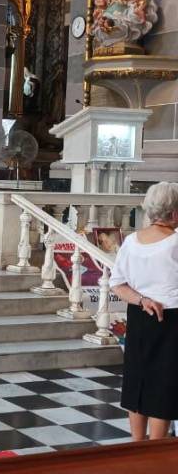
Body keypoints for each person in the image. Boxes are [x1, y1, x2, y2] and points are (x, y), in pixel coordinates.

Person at [110, 182, 178, 441]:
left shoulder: (131, 241)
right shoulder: (175, 242)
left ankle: (136, 447)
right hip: (171, 320)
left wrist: (142, 300)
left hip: (140, 316)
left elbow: (117, 284)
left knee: (138, 381)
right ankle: (156, 453)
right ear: (174, 213)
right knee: (164, 386)